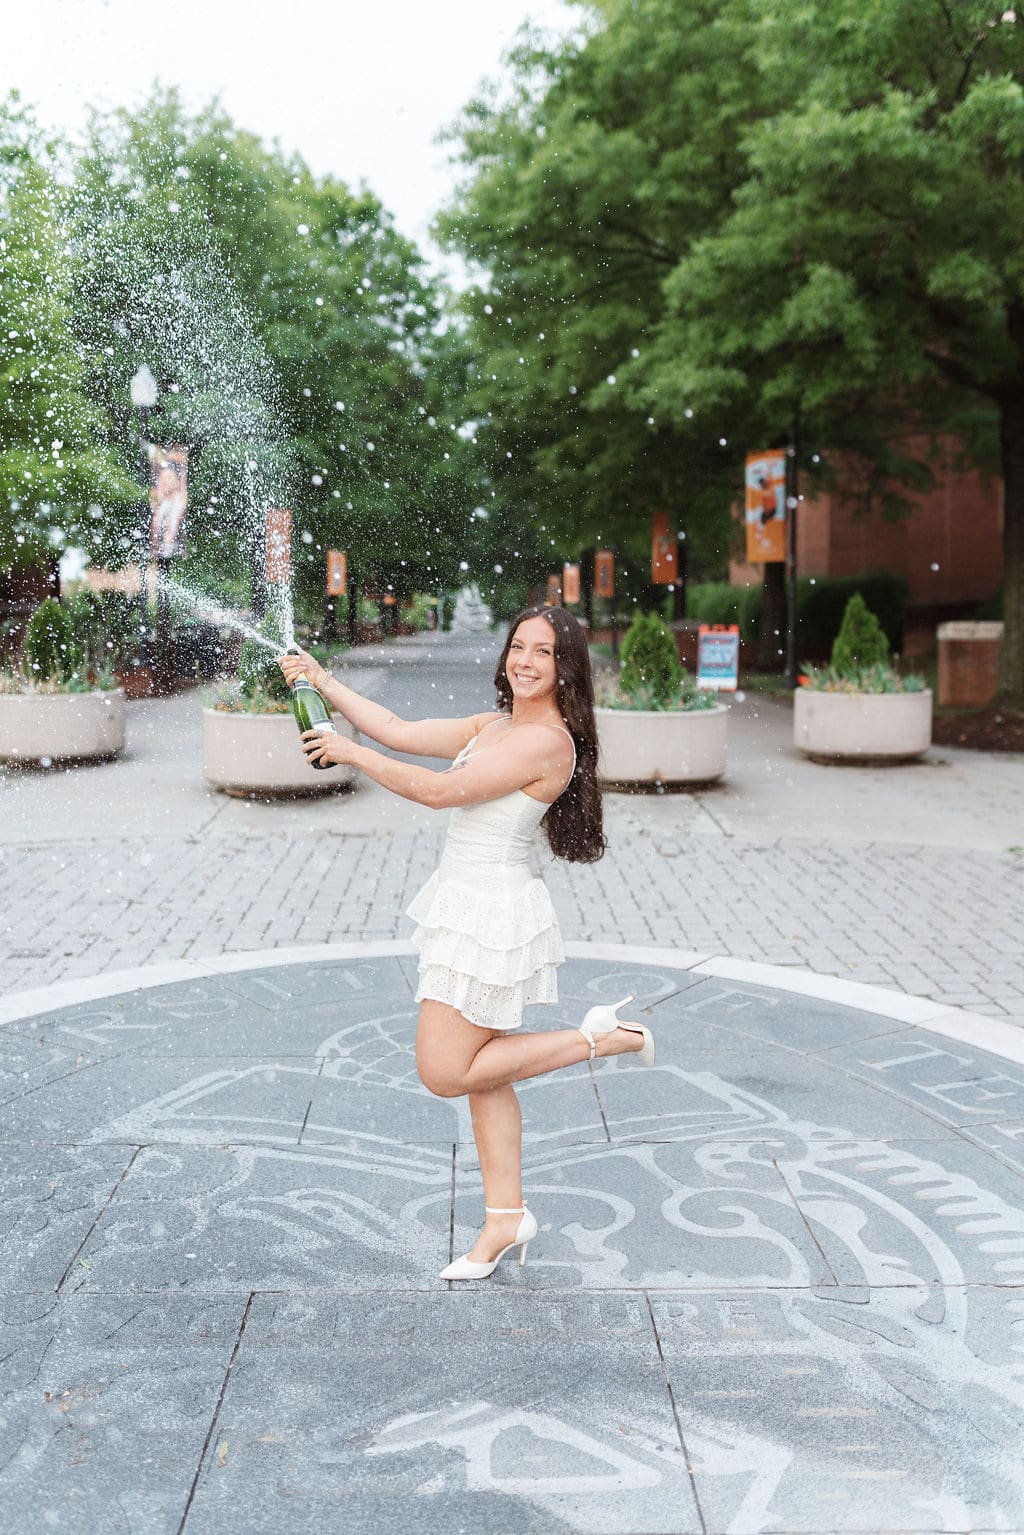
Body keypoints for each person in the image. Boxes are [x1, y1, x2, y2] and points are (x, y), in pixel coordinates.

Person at [278, 605, 654, 1282]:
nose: (526, 660)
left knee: (446, 1070)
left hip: (491, 911)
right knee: (485, 1073)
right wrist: (323, 682)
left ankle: (601, 1036)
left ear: (566, 666)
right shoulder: (497, 724)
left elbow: (443, 791)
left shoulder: (548, 742)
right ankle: (505, 1217)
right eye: (518, 646)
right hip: (467, 903)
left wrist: (352, 754)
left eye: (543, 651)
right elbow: (398, 728)